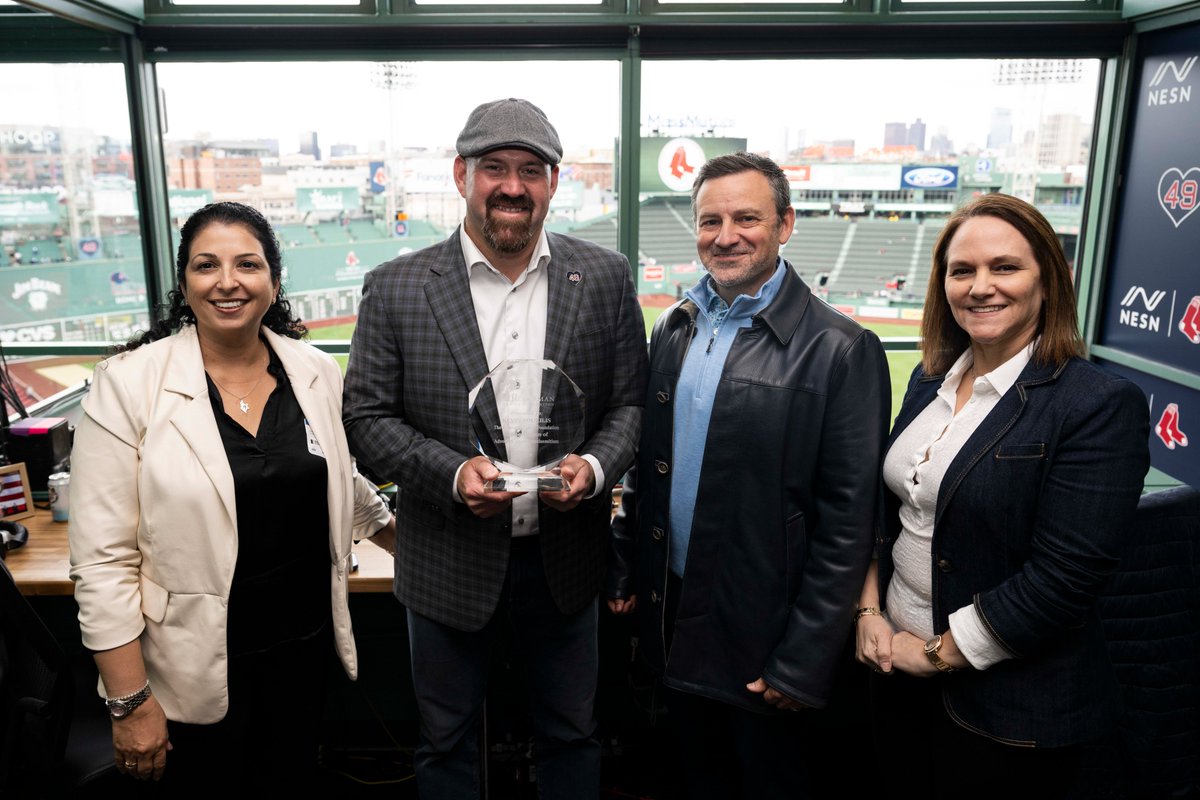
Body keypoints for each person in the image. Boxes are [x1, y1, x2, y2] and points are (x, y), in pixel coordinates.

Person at [342, 98, 648, 799]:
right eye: (495, 168)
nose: (513, 186)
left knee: (573, 735)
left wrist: (596, 468)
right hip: (446, 561)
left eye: (531, 170)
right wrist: (451, 475)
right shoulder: (395, 288)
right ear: (461, 175)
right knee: (445, 746)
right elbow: (365, 419)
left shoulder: (603, 277)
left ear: (552, 182)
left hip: (566, 561)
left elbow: (630, 404)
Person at [69, 202, 395, 788]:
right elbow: (102, 562)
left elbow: (334, 475)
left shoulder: (316, 370)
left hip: (302, 652)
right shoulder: (127, 383)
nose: (227, 282)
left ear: (273, 279)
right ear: (185, 282)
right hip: (188, 672)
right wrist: (128, 700)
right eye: (205, 265)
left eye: (246, 264)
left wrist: (422, 543)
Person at [606, 152, 890, 799]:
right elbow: (646, 471)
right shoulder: (674, 327)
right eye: (710, 220)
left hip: (768, 637)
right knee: (694, 777)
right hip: (676, 613)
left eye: (746, 218)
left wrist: (805, 659)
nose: (725, 235)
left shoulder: (842, 350)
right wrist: (627, 566)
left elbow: (850, 524)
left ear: (785, 224)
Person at [854, 193, 1150, 798]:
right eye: (962, 271)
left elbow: (1065, 580)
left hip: (1009, 708)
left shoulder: (1095, 403)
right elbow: (891, 514)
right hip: (893, 671)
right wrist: (868, 612)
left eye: (1005, 267)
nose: (980, 287)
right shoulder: (931, 377)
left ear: (1048, 281)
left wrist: (937, 654)